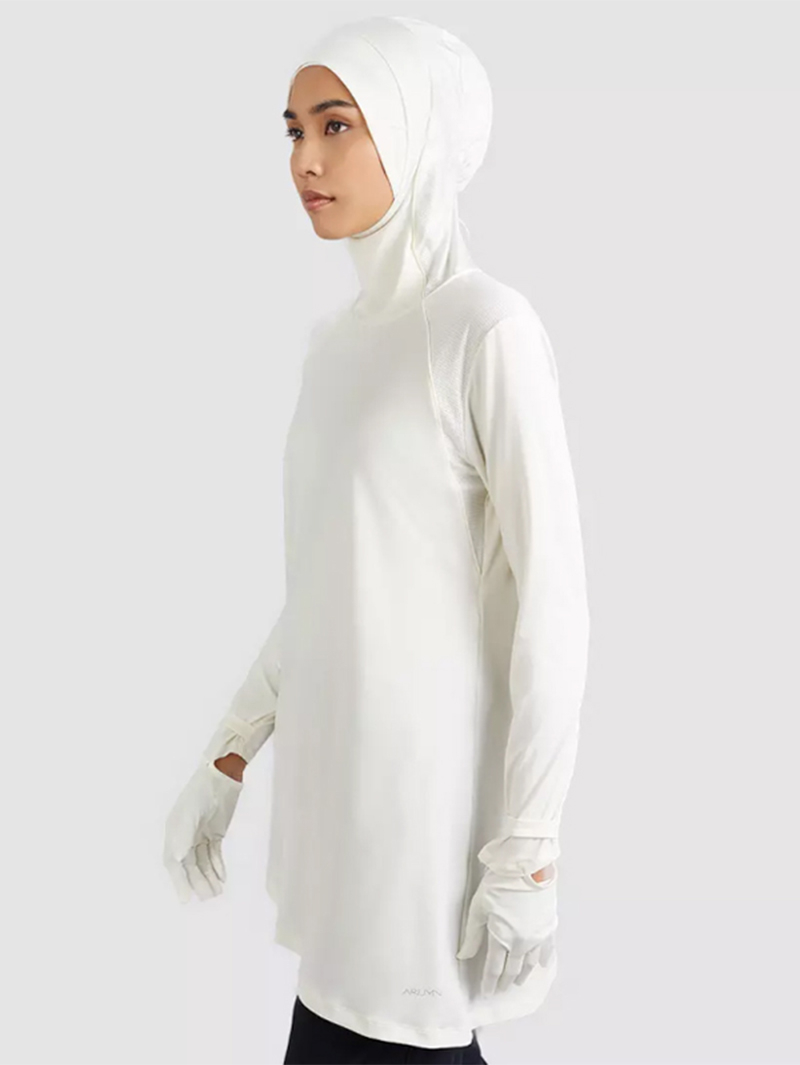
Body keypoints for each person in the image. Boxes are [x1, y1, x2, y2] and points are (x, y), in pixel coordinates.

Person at [163, 15, 590, 1065]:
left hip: (426, 833)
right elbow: (327, 584)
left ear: (412, 131)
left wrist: (528, 850)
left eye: (337, 125)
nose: (304, 160)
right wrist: (228, 752)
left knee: (407, 1040)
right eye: (293, 129)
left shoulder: (484, 329)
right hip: (334, 815)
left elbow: (554, 607)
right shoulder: (334, 350)